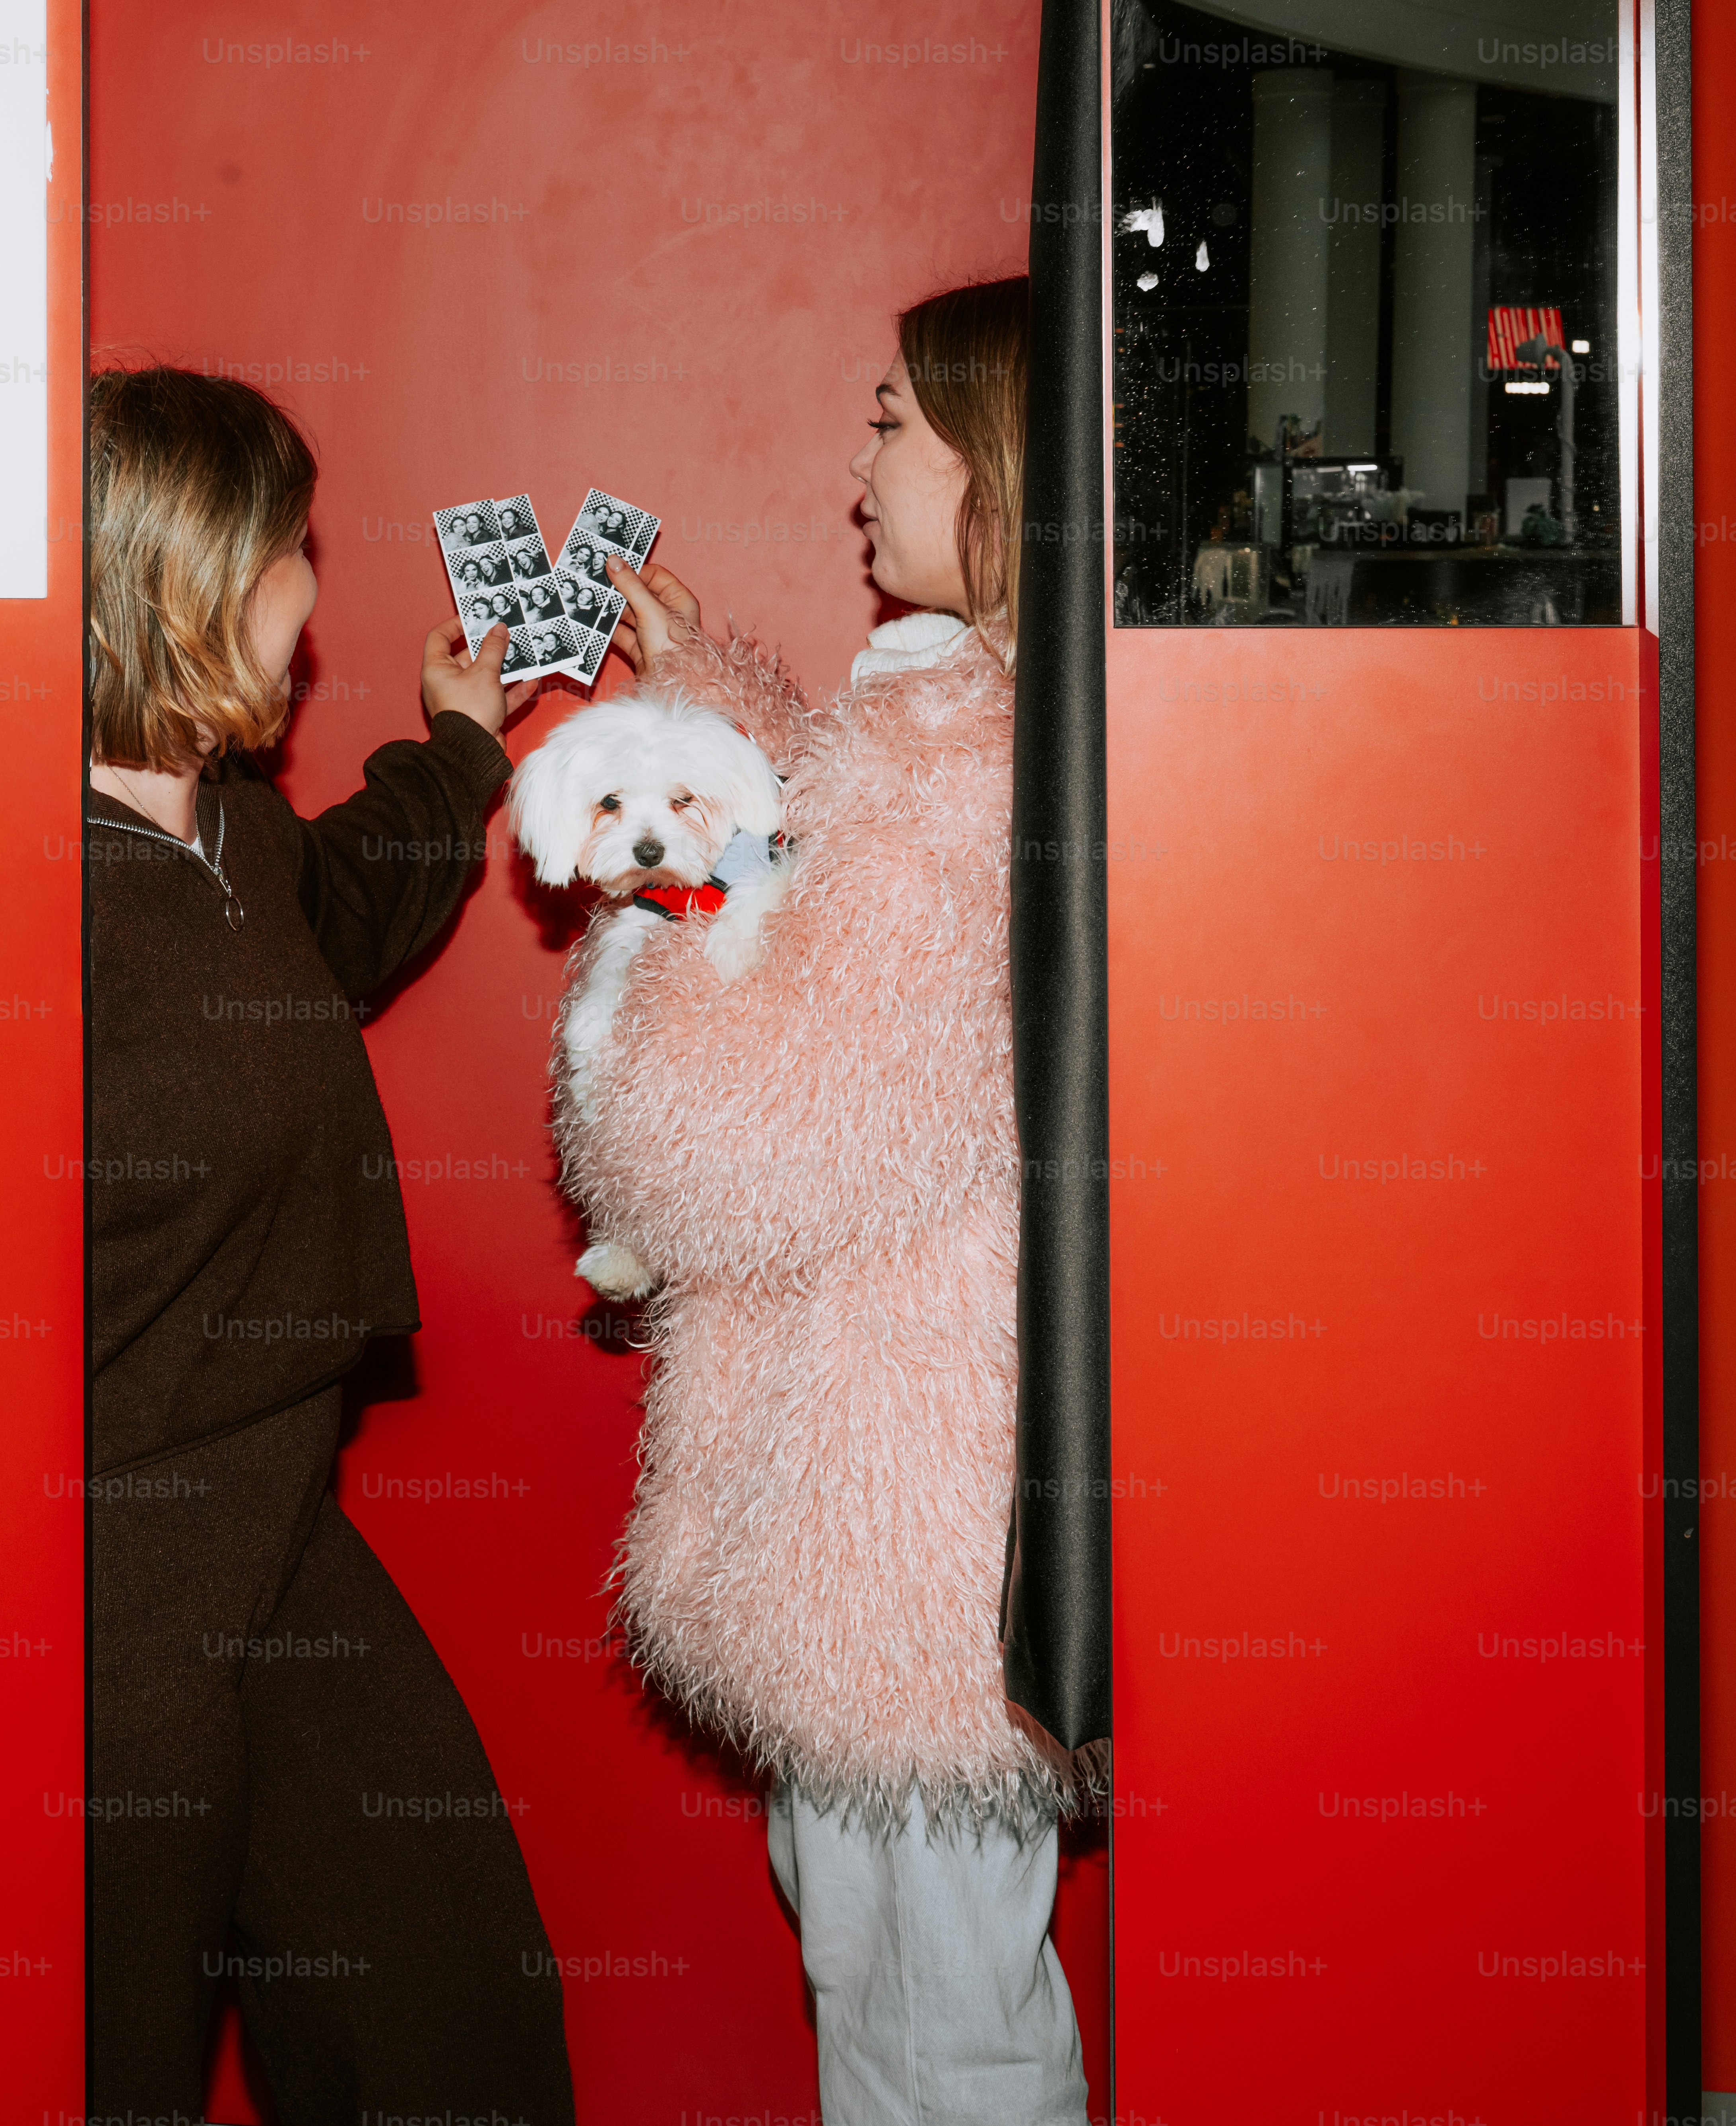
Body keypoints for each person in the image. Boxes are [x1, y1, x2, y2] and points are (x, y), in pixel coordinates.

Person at [568, 276, 1094, 2122]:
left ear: (997, 458)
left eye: (890, 421)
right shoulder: (964, 725)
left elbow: (768, 1129)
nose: (857, 465)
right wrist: (707, 688)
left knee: (933, 2009)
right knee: (900, 1974)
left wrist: (628, 1028)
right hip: (905, 1492)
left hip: (909, 1509)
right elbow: (822, 889)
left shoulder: (957, 767)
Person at [80, 364, 575, 2123]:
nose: (313, 586)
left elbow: (351, 893)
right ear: (190, 578)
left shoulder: (232, 828)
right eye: (291, 547)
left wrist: (459, 742)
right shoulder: (15, 887)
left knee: (448, 2018)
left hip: (283, 1528)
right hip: (110, 1590)